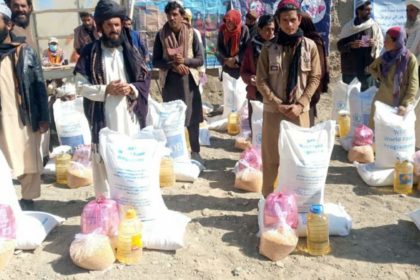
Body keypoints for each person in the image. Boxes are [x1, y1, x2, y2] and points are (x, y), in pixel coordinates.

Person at [74, 0, 150, 197]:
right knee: (106, 161)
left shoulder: (132, 50)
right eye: (109, 25)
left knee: (129, 159)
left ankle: (132, 199)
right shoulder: (89, 53)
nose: (114, 29)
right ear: (100, 27)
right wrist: (105, 89)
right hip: (104, 118)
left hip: (129, 117)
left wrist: (131, 88)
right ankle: (108, 204)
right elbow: (80, 87)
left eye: (117, 24)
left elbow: (144, 79)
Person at [256, 0, 321, 197]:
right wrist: (277, 103)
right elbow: (261, 80)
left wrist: (301, 104)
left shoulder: (310, 47)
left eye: (293, 20)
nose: (289, 25)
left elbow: (315, 77)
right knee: (271, 159)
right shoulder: (269, 48)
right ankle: (269, 201)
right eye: (284, 20)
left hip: (299, 113)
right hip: (274, 112)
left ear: (299, 19)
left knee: (298, 159)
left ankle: (297, 201)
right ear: (278, 21)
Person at [0, 3, 49, 210]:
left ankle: (27, 199)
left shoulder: (24, 51)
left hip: (22, 113)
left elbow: (39, 86)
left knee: (27, 156)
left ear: (8, 24)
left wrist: (44, 117)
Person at [152, 1, 205, 164]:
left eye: (175, 15)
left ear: (182, 16)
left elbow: (200, 59)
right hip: (170, 83)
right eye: (169, 15)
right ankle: (175, 154)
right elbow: (156, 61)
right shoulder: (161, 35)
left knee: (193, 118)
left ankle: (195, 152)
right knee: (173, 120)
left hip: (189, 82)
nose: (171, 18)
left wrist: (186, 61)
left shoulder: (192, 33)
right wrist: (173, 64)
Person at [368, 27, 419, 128]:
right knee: (375, 131)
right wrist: (379, 77)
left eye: (387, 39)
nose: (384, 42)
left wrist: (405, 105)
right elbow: (371, 68)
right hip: (381, 100)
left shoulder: (409, 59)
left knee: (391, 137)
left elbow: (413, 85)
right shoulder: (385, 56)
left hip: (398, 104)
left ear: (397, 42)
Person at [337, 0, 383, 91]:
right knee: (349, 100)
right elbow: (340, 47)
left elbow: (380, 43)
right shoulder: (348, 28)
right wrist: (351, 45)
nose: (370, 12)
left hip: (367, 71)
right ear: (359, 10)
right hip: (350, 71)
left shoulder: (373, 26)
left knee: (367, 100)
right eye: (367, 10)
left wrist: (375, 43)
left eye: (370, 10)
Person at [240, 14, 275, 130]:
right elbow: (244, 71)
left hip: (274, 93)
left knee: (271, 127)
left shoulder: (278, 46)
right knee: (256, 127)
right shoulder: (251, 47)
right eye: (267, 30)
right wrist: (250, 78)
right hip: (255, 92)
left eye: (273, 29)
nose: (270, 33)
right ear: (259, 30)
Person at [215, 9, 250, 116]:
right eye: (227, 21)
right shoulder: (222, 30)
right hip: (227, 67)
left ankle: (240, 117)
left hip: (240, 67)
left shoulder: (244, 29)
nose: (228, 24)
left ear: (236, 20)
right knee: (229, 94)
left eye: (231, 22)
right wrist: (226, 60)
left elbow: (247, 48)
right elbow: (219, 48)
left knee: (239, 94)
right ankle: (228, 117)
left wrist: (236, 59)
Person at [299, 13, 329, 126]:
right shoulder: (298, 39)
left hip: (312, 81)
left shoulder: (314, 40)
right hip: (301, 82)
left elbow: (319, 64)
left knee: (308, 109)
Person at [184, 8, 206, 92]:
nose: (184, 21)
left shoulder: (194, 32)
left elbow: (200, 52)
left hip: (194, 69)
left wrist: (201, 70)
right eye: (183, 18)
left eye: (187, 19)